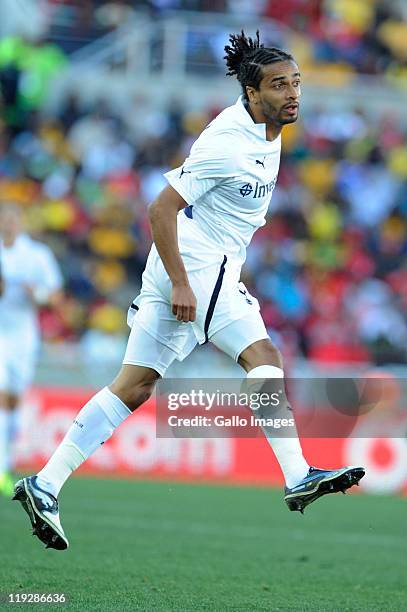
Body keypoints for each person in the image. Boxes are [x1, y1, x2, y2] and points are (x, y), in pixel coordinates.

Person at [14, 31, 364, 551]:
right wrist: (181, 280)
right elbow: (160, 208)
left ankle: (45, 483)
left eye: (296, 83)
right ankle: (296, 474)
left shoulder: (269, 125)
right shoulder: (228, 144)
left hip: (193, 261)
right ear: (251, 93)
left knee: (133, 386)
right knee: (263, 357)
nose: (292, 94)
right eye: (278, 86)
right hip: (197, 260)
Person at [0, 203, 63, 497]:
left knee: (13, 399)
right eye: (4, 219)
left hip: (23, 336)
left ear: (21, 221)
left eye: (13, 218)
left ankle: (7, 458)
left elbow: (55, 296)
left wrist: (34, 293)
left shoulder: (36, 255)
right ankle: (1, 466)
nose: (8, 224)